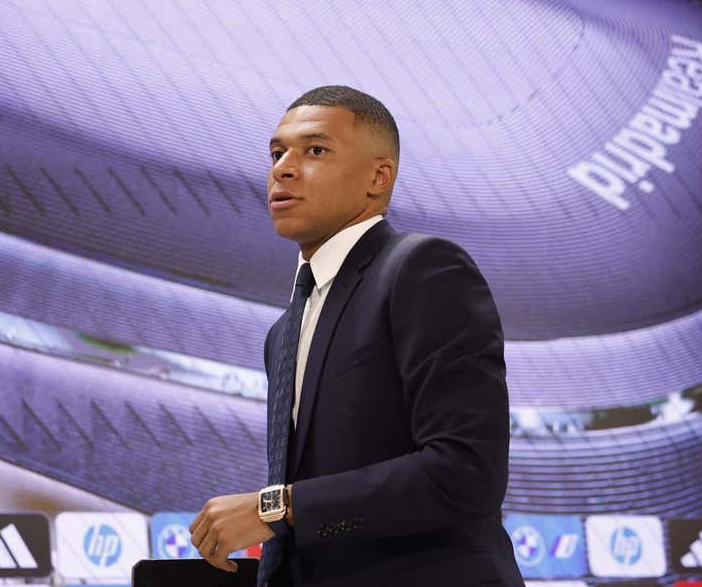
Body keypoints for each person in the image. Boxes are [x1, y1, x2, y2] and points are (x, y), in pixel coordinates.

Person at [189, 85, 520, 586]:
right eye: (277, 153)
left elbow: (466, 471)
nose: (283, 168)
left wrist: (276, 507)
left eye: (315, 150)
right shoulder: (283, 333)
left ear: (377, 177)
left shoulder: (423, 268)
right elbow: (299, 520)